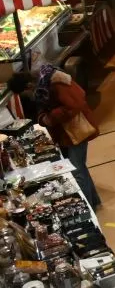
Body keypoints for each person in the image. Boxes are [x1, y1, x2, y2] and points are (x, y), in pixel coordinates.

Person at [11, 66, 101, 208]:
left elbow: (75, 103)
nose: (29, 96)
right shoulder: (43, 85)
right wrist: (43, 118)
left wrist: (50, 118)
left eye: (26, 93)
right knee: (80, 168)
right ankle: (94, 201)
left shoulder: (57, 82)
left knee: (77, 171)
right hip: (67, 133)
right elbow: (43, 109)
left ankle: (87, 206)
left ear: (29, 85)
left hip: (75, 131)